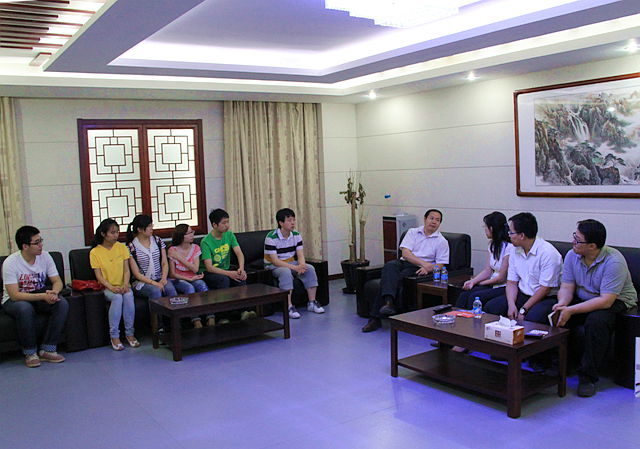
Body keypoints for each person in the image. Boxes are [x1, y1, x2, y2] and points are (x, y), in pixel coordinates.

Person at [553, 219, 637, 397]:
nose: (573, 242)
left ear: (592, 246)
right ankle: (559, 365)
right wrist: (563, 304)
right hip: (586, 297)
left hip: (616, 300)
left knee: (596, 322)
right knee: (556, 314)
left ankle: (588, 377)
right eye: (574, 236)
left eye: (578, 240)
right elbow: (567, 287)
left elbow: (606, 301)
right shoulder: (572, 255)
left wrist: (571, 310)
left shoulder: (614, 262)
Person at [362, 209, 449, 333]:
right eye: (431, 218)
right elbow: (405, 253)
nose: (434, 222)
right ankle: (388, 303)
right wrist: (424, 263)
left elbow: (440, 264)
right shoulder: (412, 232)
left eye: (438, 220)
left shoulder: (442, 241)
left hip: (418, 269)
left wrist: (427, 268)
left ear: (440, 223)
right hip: (405, 262)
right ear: (425, 219)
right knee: (389, 266)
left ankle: (377, 316)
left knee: (395, 278)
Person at [2, 225, 69, 367]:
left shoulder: (45, 256)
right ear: (25, 246)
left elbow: (57, 281)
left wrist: (54, 293)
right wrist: (43, 296)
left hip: (39, 293)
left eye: (41, 241)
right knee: (24, 308)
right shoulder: (11, 263)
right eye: (36, 243)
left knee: (61, 303)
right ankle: (30, 353)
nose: (41, 245)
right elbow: (14, 295)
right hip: (14, 300)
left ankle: (48, 349)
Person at [484, 212, 562, 323]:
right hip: (523, 293)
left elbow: (545, 289)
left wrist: (523, 309)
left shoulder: (548, 253)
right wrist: (511, 305)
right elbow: (512, 282)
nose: (508, 235)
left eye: (511, 232)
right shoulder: (515, 250)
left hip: (545, 297)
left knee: (531, 318)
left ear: (522, 235)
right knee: (492, 307)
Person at [264, 208, 324, 319]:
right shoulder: (271, 237)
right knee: (285, 272)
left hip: (291, 262)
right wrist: (295, 268)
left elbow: (300, 255)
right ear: (281, 223)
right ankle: (289, 306)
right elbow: (275, 261)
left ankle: (312, 302)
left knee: (309, 268)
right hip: (274, 266)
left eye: (293, 220)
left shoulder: (296, 235)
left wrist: (302, 265)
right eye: (289, 220)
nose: (292, 223)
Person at [90, 218, 140, 351]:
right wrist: (111, 287)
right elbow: (99, 276)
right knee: (117, 298)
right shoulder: (95, 252)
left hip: (123, 285)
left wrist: (125, 284)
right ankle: (114, 336)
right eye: (112, 232)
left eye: (117, 232)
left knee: (128, 295)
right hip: (107, 287)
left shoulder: (122, 248)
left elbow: (127, 270)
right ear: (103, 234)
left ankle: (130, 333)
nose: (115, 235)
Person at [200, 209, 251, 325]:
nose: (227, 225)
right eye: (224, 223)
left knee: (240, 277)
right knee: (223, 280)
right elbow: (209, 267)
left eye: (228, 222)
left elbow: (239, 253)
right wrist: (229, 274)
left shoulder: (229, 235)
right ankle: (222, 317)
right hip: (209, 273)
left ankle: (244, 312)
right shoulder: (206, 242)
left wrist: (241, 269)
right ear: (214, 225)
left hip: (226, 269)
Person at [456, 212, 511, 309]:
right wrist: (473, 281)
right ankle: (456, 316)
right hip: (492, 283)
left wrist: (481, 283)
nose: (484, 229)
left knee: (474, 296)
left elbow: (501, 278)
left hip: (503, 286)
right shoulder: (492, 244)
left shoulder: (509, 247)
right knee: (464, 294)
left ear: (491, 228)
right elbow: (488, 270)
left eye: (485, 226)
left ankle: (471, 318)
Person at [126, 214, 178, 300]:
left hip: (159, 277)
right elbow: (137, 274)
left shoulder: (158, 241)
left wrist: (163, 279)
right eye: (149, 226)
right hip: (142, 282)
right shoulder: (131, 247)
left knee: (170, 289)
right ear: (139, 229)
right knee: (155, 291)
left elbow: (164, 263)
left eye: (151, 225)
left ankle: (175, 308)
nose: (151, 228)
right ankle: (156, 309)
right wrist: (154, 283)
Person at [168, 223, 209, 328]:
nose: (192, 235)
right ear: (181, 236)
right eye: (189, 233)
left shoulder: (196, 248)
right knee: (189, 287)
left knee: (202, 285)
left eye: (192, 232)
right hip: (178, 279)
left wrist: (179, 257)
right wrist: (188, 279)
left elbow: (195, 269)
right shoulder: (172, 250)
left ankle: (210, 317)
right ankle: (196, 320)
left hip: (193, 276)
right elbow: (172, 274)